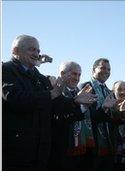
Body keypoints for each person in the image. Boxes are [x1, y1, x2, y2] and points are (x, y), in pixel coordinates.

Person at [2, 35, 96, 171]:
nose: (36, 54)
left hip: (41, 152)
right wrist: (51, 94)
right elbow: (14, 98)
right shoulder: (6, 70)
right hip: (17, 151)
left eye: (38, 51)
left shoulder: (40, 78)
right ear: (16, 51)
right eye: (32, 50)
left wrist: (76, 103)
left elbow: (57, 105)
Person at [49, 61, 91, 171]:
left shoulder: (81, 93)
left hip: (80, 151)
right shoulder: (54, 90)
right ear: (62, 73)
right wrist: (78, 105)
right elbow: (57, 119)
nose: (77, 78)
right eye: (74, 74)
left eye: (79, 75)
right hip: (60, 150)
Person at [79, 58, 117, 171]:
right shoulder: (85, 87)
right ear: (93, 70)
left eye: (109, 69)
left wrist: (121, 115)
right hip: (91, 145)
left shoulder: (109, 92)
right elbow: (86, 118)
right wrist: (104, 108)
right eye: (103, 68)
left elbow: (111, 119)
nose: (106, 71)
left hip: (107, 145)